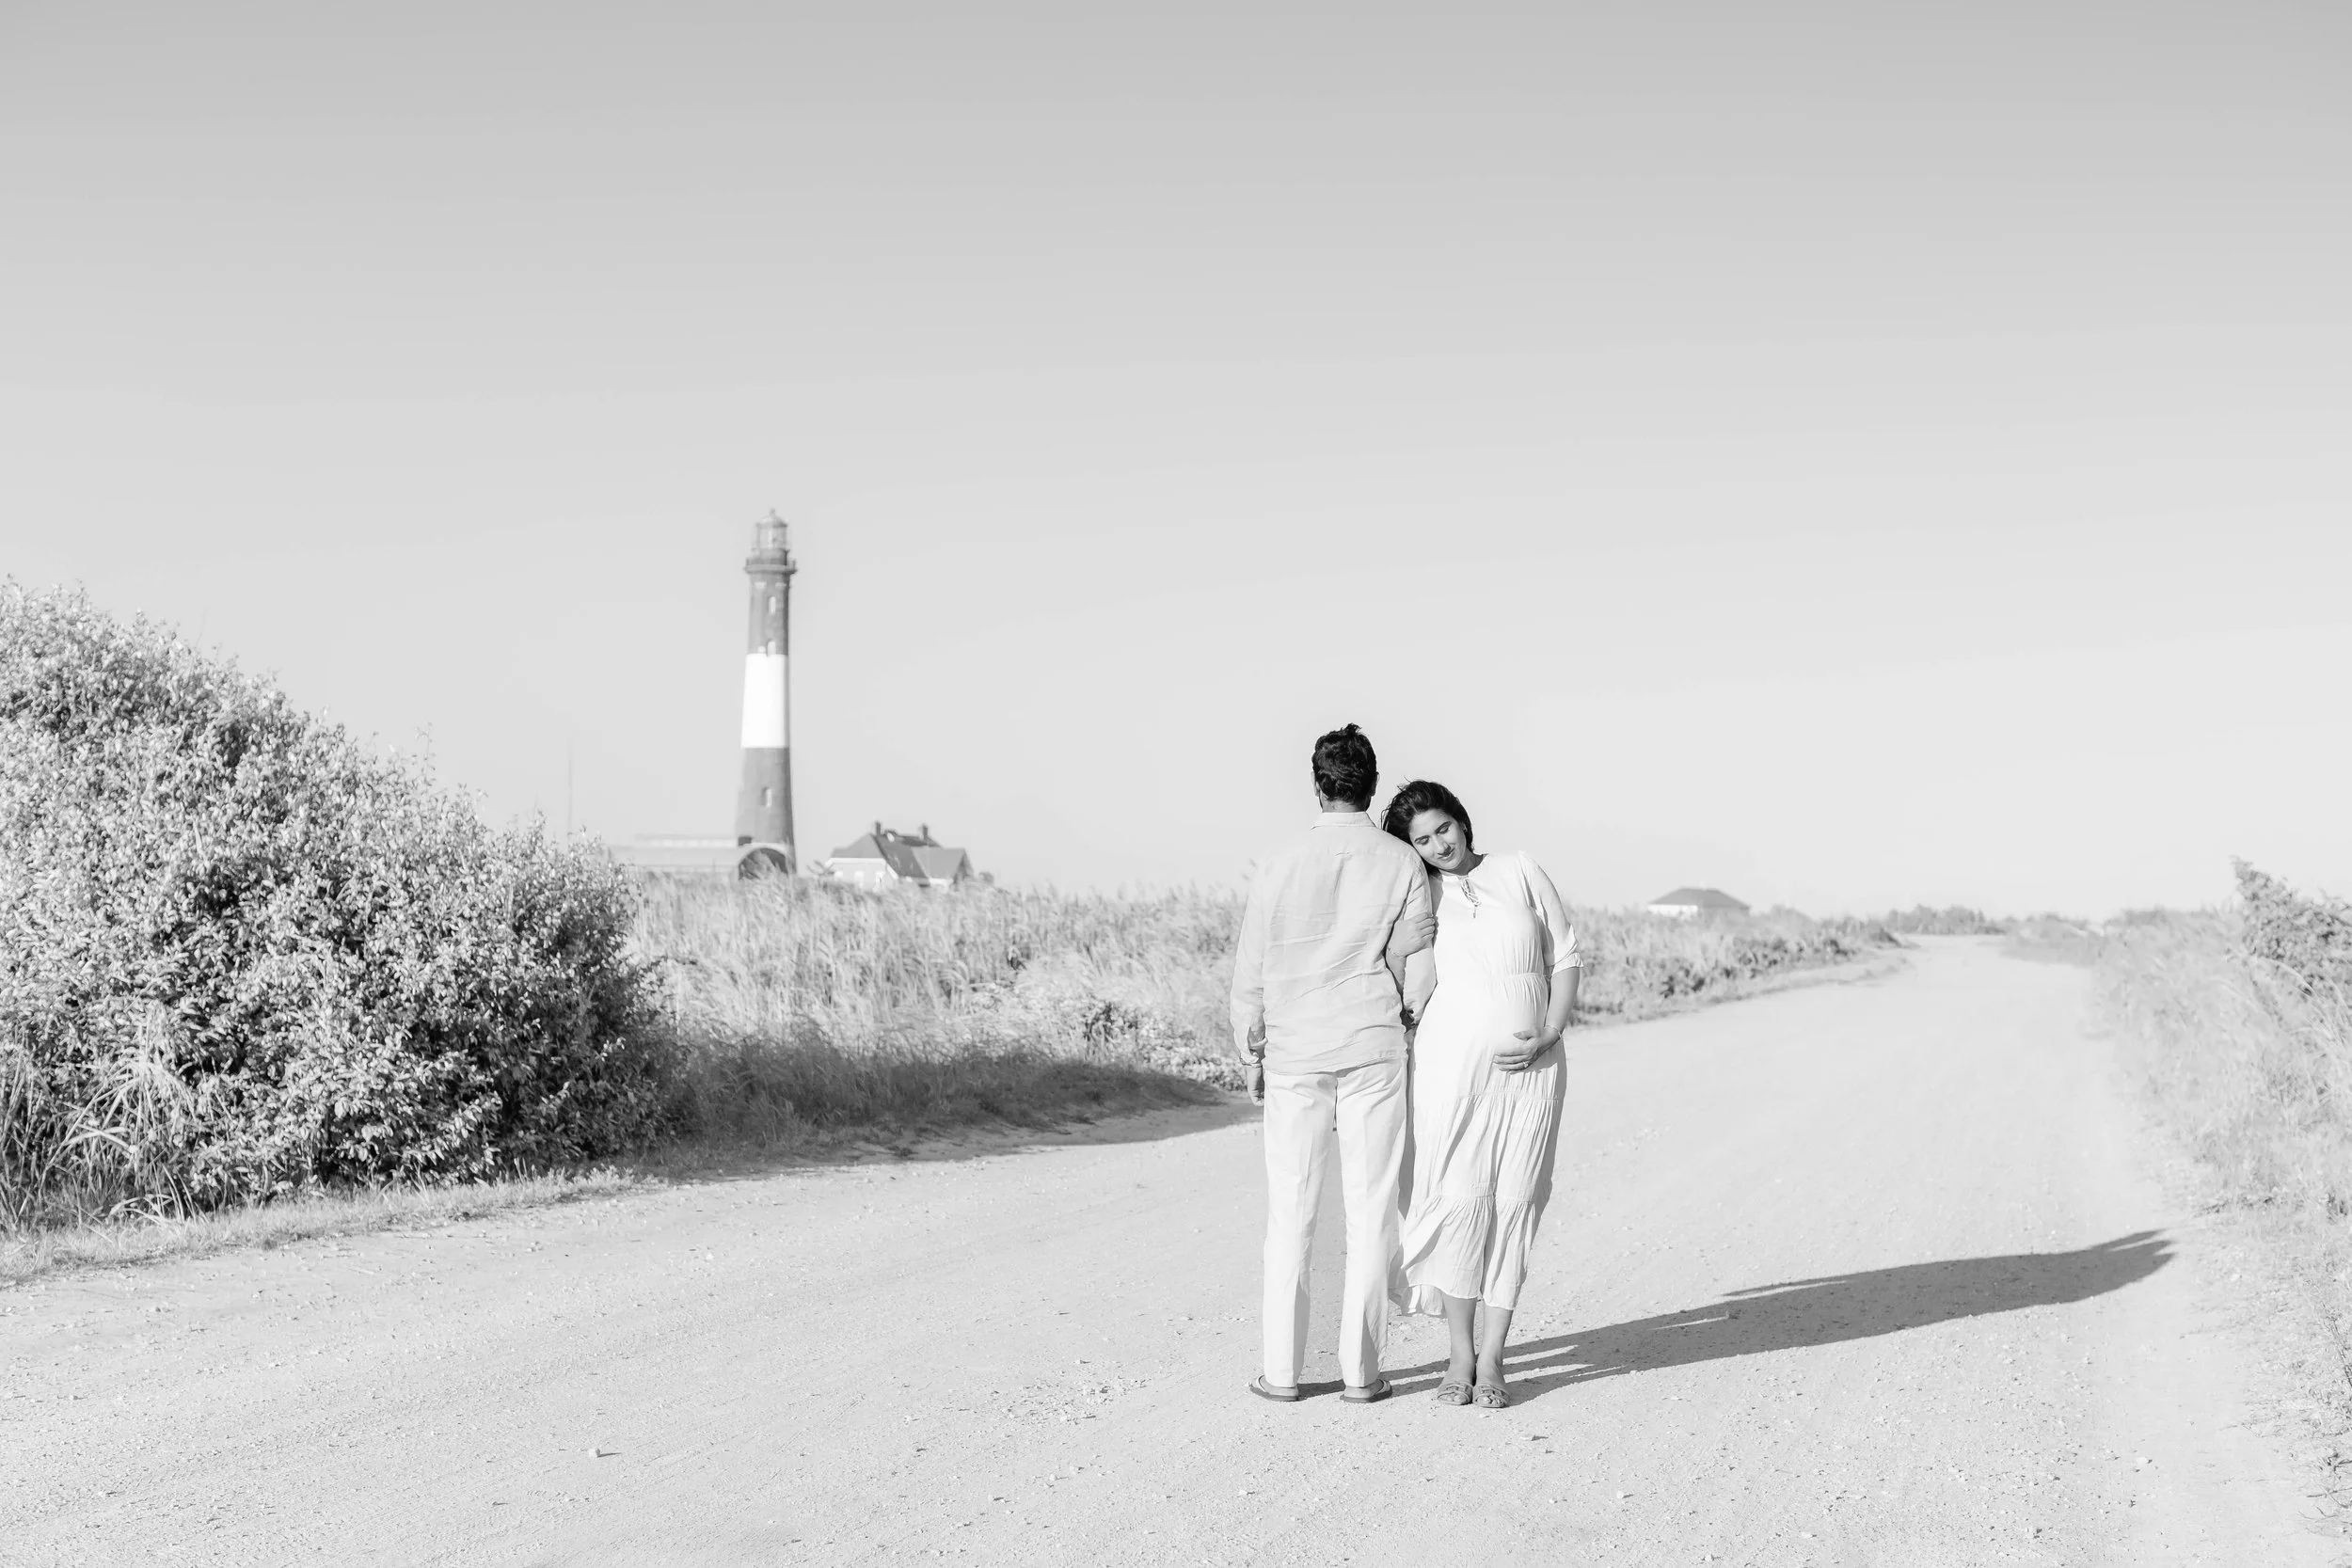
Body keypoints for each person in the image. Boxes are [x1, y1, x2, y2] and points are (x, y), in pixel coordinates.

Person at [1231, 723, 1436, 1404]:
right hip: (1372, 1045)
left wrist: (1249, 1049)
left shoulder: (1280, 859)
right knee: (1372, 1209)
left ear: (1318, 785)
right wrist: (1405, 1018)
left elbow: (1252, 968)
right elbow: (1418, 965)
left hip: (1294, 1051)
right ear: (1373, 786)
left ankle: (1282, 1373)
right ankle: (1362, 1372)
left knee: (1291, 1210)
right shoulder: (1402, 862)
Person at [1383, 780, 1579, 1410]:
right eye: (1422, 839)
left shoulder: (1519, 870)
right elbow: (1393, 974)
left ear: (1462, 821)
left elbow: (1566, 954)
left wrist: (1550, 1032)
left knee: (1515, 1201)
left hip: (1533, 1067)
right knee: (1464, 1201)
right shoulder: (1419, 896)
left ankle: (1495, 1354)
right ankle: (1460, 1352)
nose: (1439, 843)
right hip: (1451, 1072)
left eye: (1444, 827)